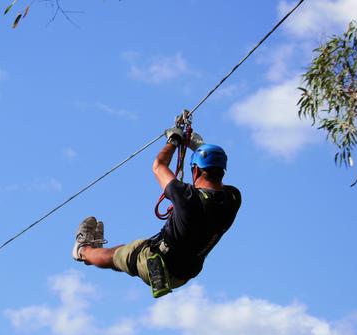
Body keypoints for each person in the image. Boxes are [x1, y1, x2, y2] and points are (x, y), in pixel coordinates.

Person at [71, 126, 241, 297]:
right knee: (130, 249)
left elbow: (159, 166)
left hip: (158, 263)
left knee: (115, 255)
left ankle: (83, 250)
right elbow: (213, 185)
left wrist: (173, 141)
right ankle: (94, 251)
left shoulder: (187, 197)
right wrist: (201, 148)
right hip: (184, 271)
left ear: (195, 170)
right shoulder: (233, 199)